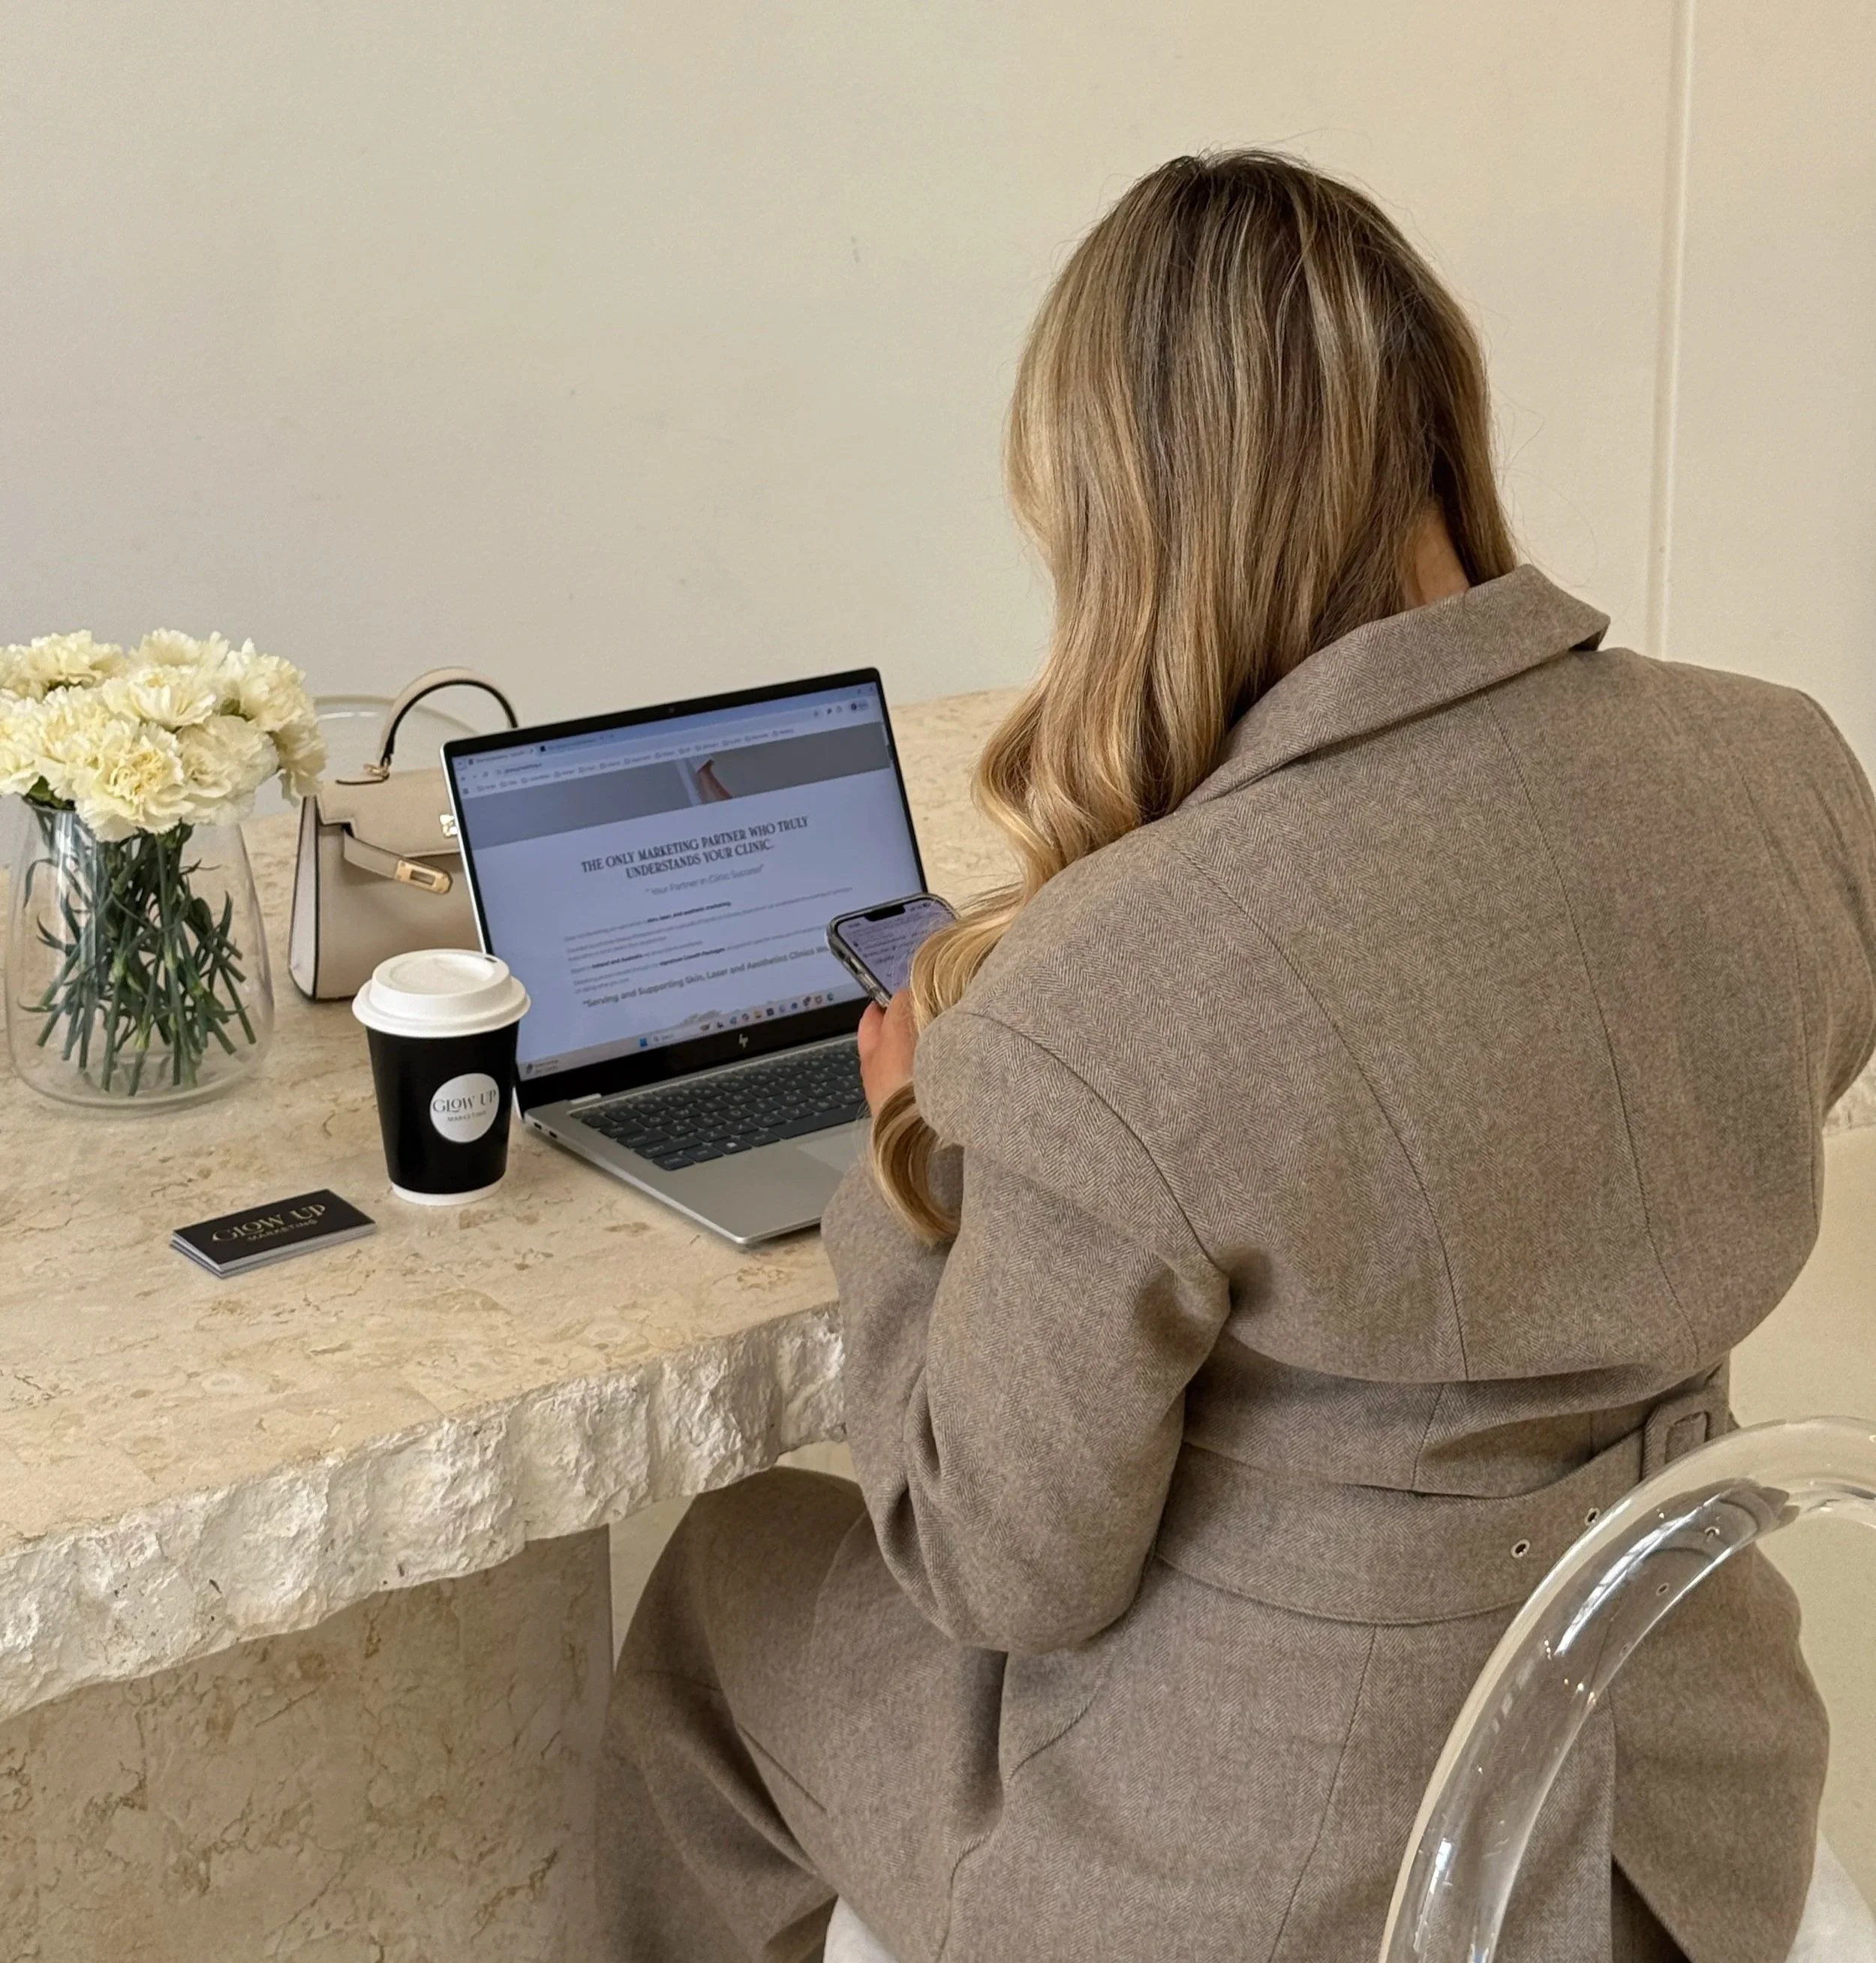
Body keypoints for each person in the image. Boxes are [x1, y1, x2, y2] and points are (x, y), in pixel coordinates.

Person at [598, 150, 1876, 1963]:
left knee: (727, 1586)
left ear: (1142, 515)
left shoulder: (1126, 972)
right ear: (1436, 423)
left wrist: (900, 1161)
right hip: (1676, 1832)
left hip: (1276, 1890)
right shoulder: (1787, 770)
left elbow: (1005, 1572)